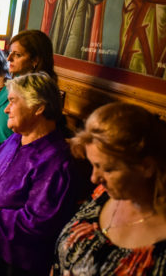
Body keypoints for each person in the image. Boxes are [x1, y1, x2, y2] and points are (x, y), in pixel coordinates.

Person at [0, 72, 78, 276]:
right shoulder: (16, 138)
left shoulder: (55, 160)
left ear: (38, 107)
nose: (6, 109)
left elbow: (36, 223)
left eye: (13, 101)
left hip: (11, 261)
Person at [53, 102, 166, 275]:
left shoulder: (161, 250)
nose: (94, 178)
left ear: (146, 167)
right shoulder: (103, 193)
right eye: (93, 165)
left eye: (108, 169)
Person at [0, 30, 56, 169]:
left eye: (18, 55)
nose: (9, 58)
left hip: (11, 162)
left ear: (35, 60)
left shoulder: (38, 93)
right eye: (10, 53)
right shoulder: (13, 83)